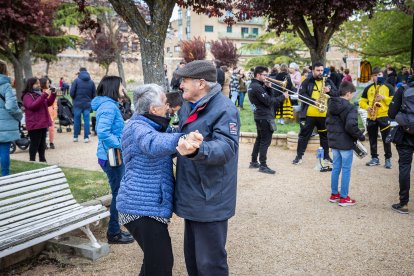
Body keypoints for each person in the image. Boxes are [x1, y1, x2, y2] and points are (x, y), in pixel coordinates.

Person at [116, 84, 203, 275]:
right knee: (161, 264)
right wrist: (185, 138)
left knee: (153, 262)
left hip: (146, 206)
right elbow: (154, 144)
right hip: (140, 208)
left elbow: (166, 139)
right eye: (165, 102)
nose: (168, 106)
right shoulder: (137, 127)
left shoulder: (152, 126)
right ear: (154, 109)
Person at [173, 60, 240, 275]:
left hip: (210, 197)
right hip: (192, 194)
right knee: (193, 259)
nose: (180, 85)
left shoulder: (225, 109)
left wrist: (197, 150)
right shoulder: (188, 104)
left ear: (201, 83)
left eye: (185, 80)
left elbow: (227, 147)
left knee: (210, 264)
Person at [90, 76, 134, 244]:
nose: (124, 87)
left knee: (119, 192)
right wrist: (120, 145)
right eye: (121, 84)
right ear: (114, 87)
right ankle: (114, 233)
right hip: (112, 157)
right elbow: (103, 132)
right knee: (118, 194)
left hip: (110, 155)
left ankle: (116, 229)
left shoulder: (109, 105)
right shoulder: (108, 106)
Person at [326, 81, 365, 206]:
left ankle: (334, 194)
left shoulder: (331, 103)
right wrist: (360, 135)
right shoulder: (351, 107)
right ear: (348, 93)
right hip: (346, 142)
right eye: (352, 94)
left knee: (336, 167)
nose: (352, 96)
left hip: (334, 141)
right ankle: (344, 197)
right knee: (346, 169)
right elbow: (350, 126)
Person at [292, 61, 338, 165]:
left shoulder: (328, 81)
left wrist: (329, 91)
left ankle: (326, 157)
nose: (320, 72)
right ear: (313, 70)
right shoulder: (307, 81)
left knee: (325, 137)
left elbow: (337, 94)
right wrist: (313, 101)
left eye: (322, 70)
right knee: (304, 136)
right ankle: (299, 157)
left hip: (324, 114)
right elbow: (301, 95)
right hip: (309, 114)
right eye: (318, 70)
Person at [248, 66, 288, 174]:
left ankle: (253, 161)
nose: (267, 77)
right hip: (264, 117)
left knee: (260, 139)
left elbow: (267, 99)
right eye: (265, 75)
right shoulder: (256, 87)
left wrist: (269, 88)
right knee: (265, 141)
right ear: (258, 75)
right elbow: (269, 101)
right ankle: (263, 165)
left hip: (260, 116)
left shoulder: (255, 86)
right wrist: (283, 97)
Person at [359, 67, 394, 168]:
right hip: (372, 116)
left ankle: (388, 159)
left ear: (382, 75)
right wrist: (367, 107)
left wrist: (383, 98)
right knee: (372, 139)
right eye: (375, 75)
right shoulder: (368, 88)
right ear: (372, 77)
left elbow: (393, 101)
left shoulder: (389, 87)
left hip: (384, 116)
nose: (377, 77)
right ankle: (374, 158)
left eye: (379, 75)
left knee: (386, 139)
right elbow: (362, 101)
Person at [388, 78, 414, 214]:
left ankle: (404, 204)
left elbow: (391, 113)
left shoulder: (403, 89)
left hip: (406, 134)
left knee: (404, 167)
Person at [22, 77, 57, 162]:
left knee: (42, 144)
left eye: (39, 83)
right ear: (31, 85)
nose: (39, 85)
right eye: (36, 83)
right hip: (34, 124)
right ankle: (32, 160)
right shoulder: (27, 96)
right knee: (35, 143)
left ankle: (42, 159)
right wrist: (44, 95)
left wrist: (53, 94)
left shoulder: (40, 93)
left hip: (43, 122)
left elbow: (47, 103)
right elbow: (32, 106)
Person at [0, 60, 22, 176]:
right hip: (4, 125)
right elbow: (11, 106)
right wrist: (19, 116)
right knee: (4, 151)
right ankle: (5, 176)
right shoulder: (6, 86)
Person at [70, 67, 96, 143]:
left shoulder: (76, 81)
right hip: (87, 104)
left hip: (77, 103)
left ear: (80, 72)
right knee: (86, 120)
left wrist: (75, 99)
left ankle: (75, 137)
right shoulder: (91, 82)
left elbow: (71, 93)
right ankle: (86, 137)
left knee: (77, 120)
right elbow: (94, 94)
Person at [40, 78, 57, 149]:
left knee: (51, 128)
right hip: (42, 112)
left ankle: (51, 142)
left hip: (50, 112)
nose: (49, 84)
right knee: (43, 129)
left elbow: (54, 102)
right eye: (47, 83)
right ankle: (44, 142)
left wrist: (55, 109)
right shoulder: (39, 92)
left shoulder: (50, 91)